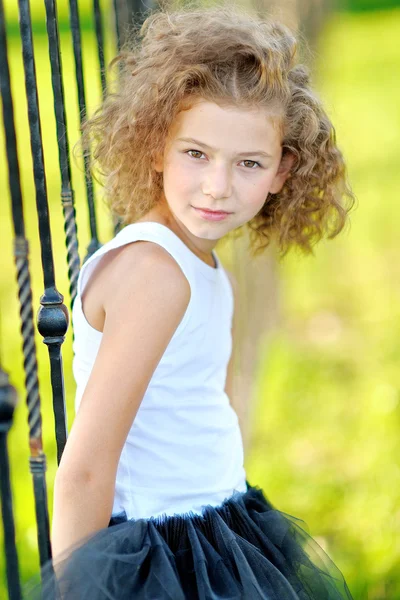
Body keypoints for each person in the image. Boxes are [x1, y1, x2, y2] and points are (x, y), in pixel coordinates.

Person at [23, 2, 355, 598]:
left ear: (284, 170)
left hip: (218, 523)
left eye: (248, 163)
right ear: (155, 146)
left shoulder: (200, 264)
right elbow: (87, 467)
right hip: (163, 551)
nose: (217, 187)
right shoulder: (155, 272)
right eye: (196, 153)